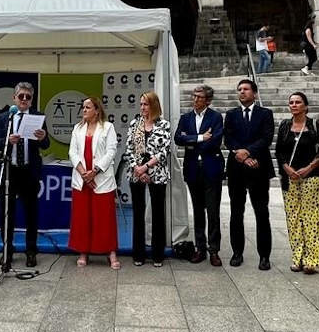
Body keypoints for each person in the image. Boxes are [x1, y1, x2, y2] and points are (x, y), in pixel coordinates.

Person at [0, 82, 50, 270]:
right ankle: (7, 250)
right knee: (6, 213)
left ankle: (31, 251)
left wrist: (42, 138)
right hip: (10, 170)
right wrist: (7, 141)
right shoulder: (4, 118)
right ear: (14, 98)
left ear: (32, 99)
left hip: (29, 170)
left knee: (31, 213)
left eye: (28, 97)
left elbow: (46, 144)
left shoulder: (38, 116)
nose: (24, 99)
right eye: (21, 96)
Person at [275, 91, 319, 274]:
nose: (294, 105)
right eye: (291, 102)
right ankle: (297, 256)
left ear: (305, 106)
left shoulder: (315, 124)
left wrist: (309, 167)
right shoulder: (284, 125)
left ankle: (312, 259)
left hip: (311, 176)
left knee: (311, 217)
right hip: (290, 178)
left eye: (298, 102)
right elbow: (279, 151)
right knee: (293, 218)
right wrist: (286, 168)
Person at [223, 79, 275, 270]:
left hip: (259, 167)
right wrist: (243, 156)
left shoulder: (265, 114)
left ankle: (264, 256)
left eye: (245, 89)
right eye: (239, 90)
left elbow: (267, 137)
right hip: (237, 168)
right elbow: (228, 138)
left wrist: (250, 153)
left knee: (262, 212)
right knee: (236, 212)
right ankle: (237, 253)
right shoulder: (231, 114)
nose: (242, 92)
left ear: (254, 93)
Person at [174, 84, 225, 266]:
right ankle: (200, 248)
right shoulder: (186, 117)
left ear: (208, 100)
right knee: (197, 211)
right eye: (194, 96)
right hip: (193, 169)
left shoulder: (216, 117)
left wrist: (192, 141)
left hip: (211, 168)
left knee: (212, 211)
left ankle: (214, 250)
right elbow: (178, 138)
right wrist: (200, 137)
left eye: (199, 97)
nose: (195, 100)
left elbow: (215, 141)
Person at [68, 97, 120, 269]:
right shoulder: (78, 128)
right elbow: (73, 152)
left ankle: (110, 252)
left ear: (97, 110)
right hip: (82, 180)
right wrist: (84, 174)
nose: (84, 110)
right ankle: (83, 251)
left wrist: (95, 172)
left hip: (101, 179)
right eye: (83, 107)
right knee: (82, 217)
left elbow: (111, 151)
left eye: (88, 107)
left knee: (104, 218)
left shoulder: (108, 127)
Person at [122, 91, 171, 267]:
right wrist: (138, 168)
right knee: (138, 213)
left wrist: (146, 167)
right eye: (141, 104)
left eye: (146, 104)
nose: (142, 107)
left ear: (154, 105)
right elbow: (128, 149)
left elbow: (164, 151)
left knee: (158, 214)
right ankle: (138, 253)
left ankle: (158, 254)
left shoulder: (164, 125)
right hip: (136, 174)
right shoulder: (135, 123)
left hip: (157, 174)